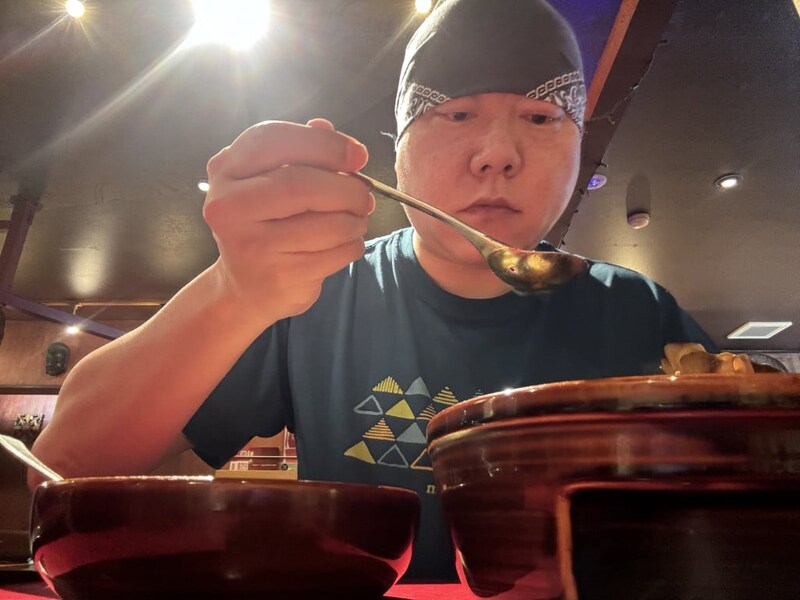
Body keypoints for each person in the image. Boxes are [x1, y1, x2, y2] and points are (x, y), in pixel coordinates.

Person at [31, 0, 715, 582]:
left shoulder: (638, 312)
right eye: (457, 115)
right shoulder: (312, 292)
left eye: (541, 118)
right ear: (400, 148)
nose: (498, 155)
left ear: (578, 145)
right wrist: (234, 291)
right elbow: (60, 467)